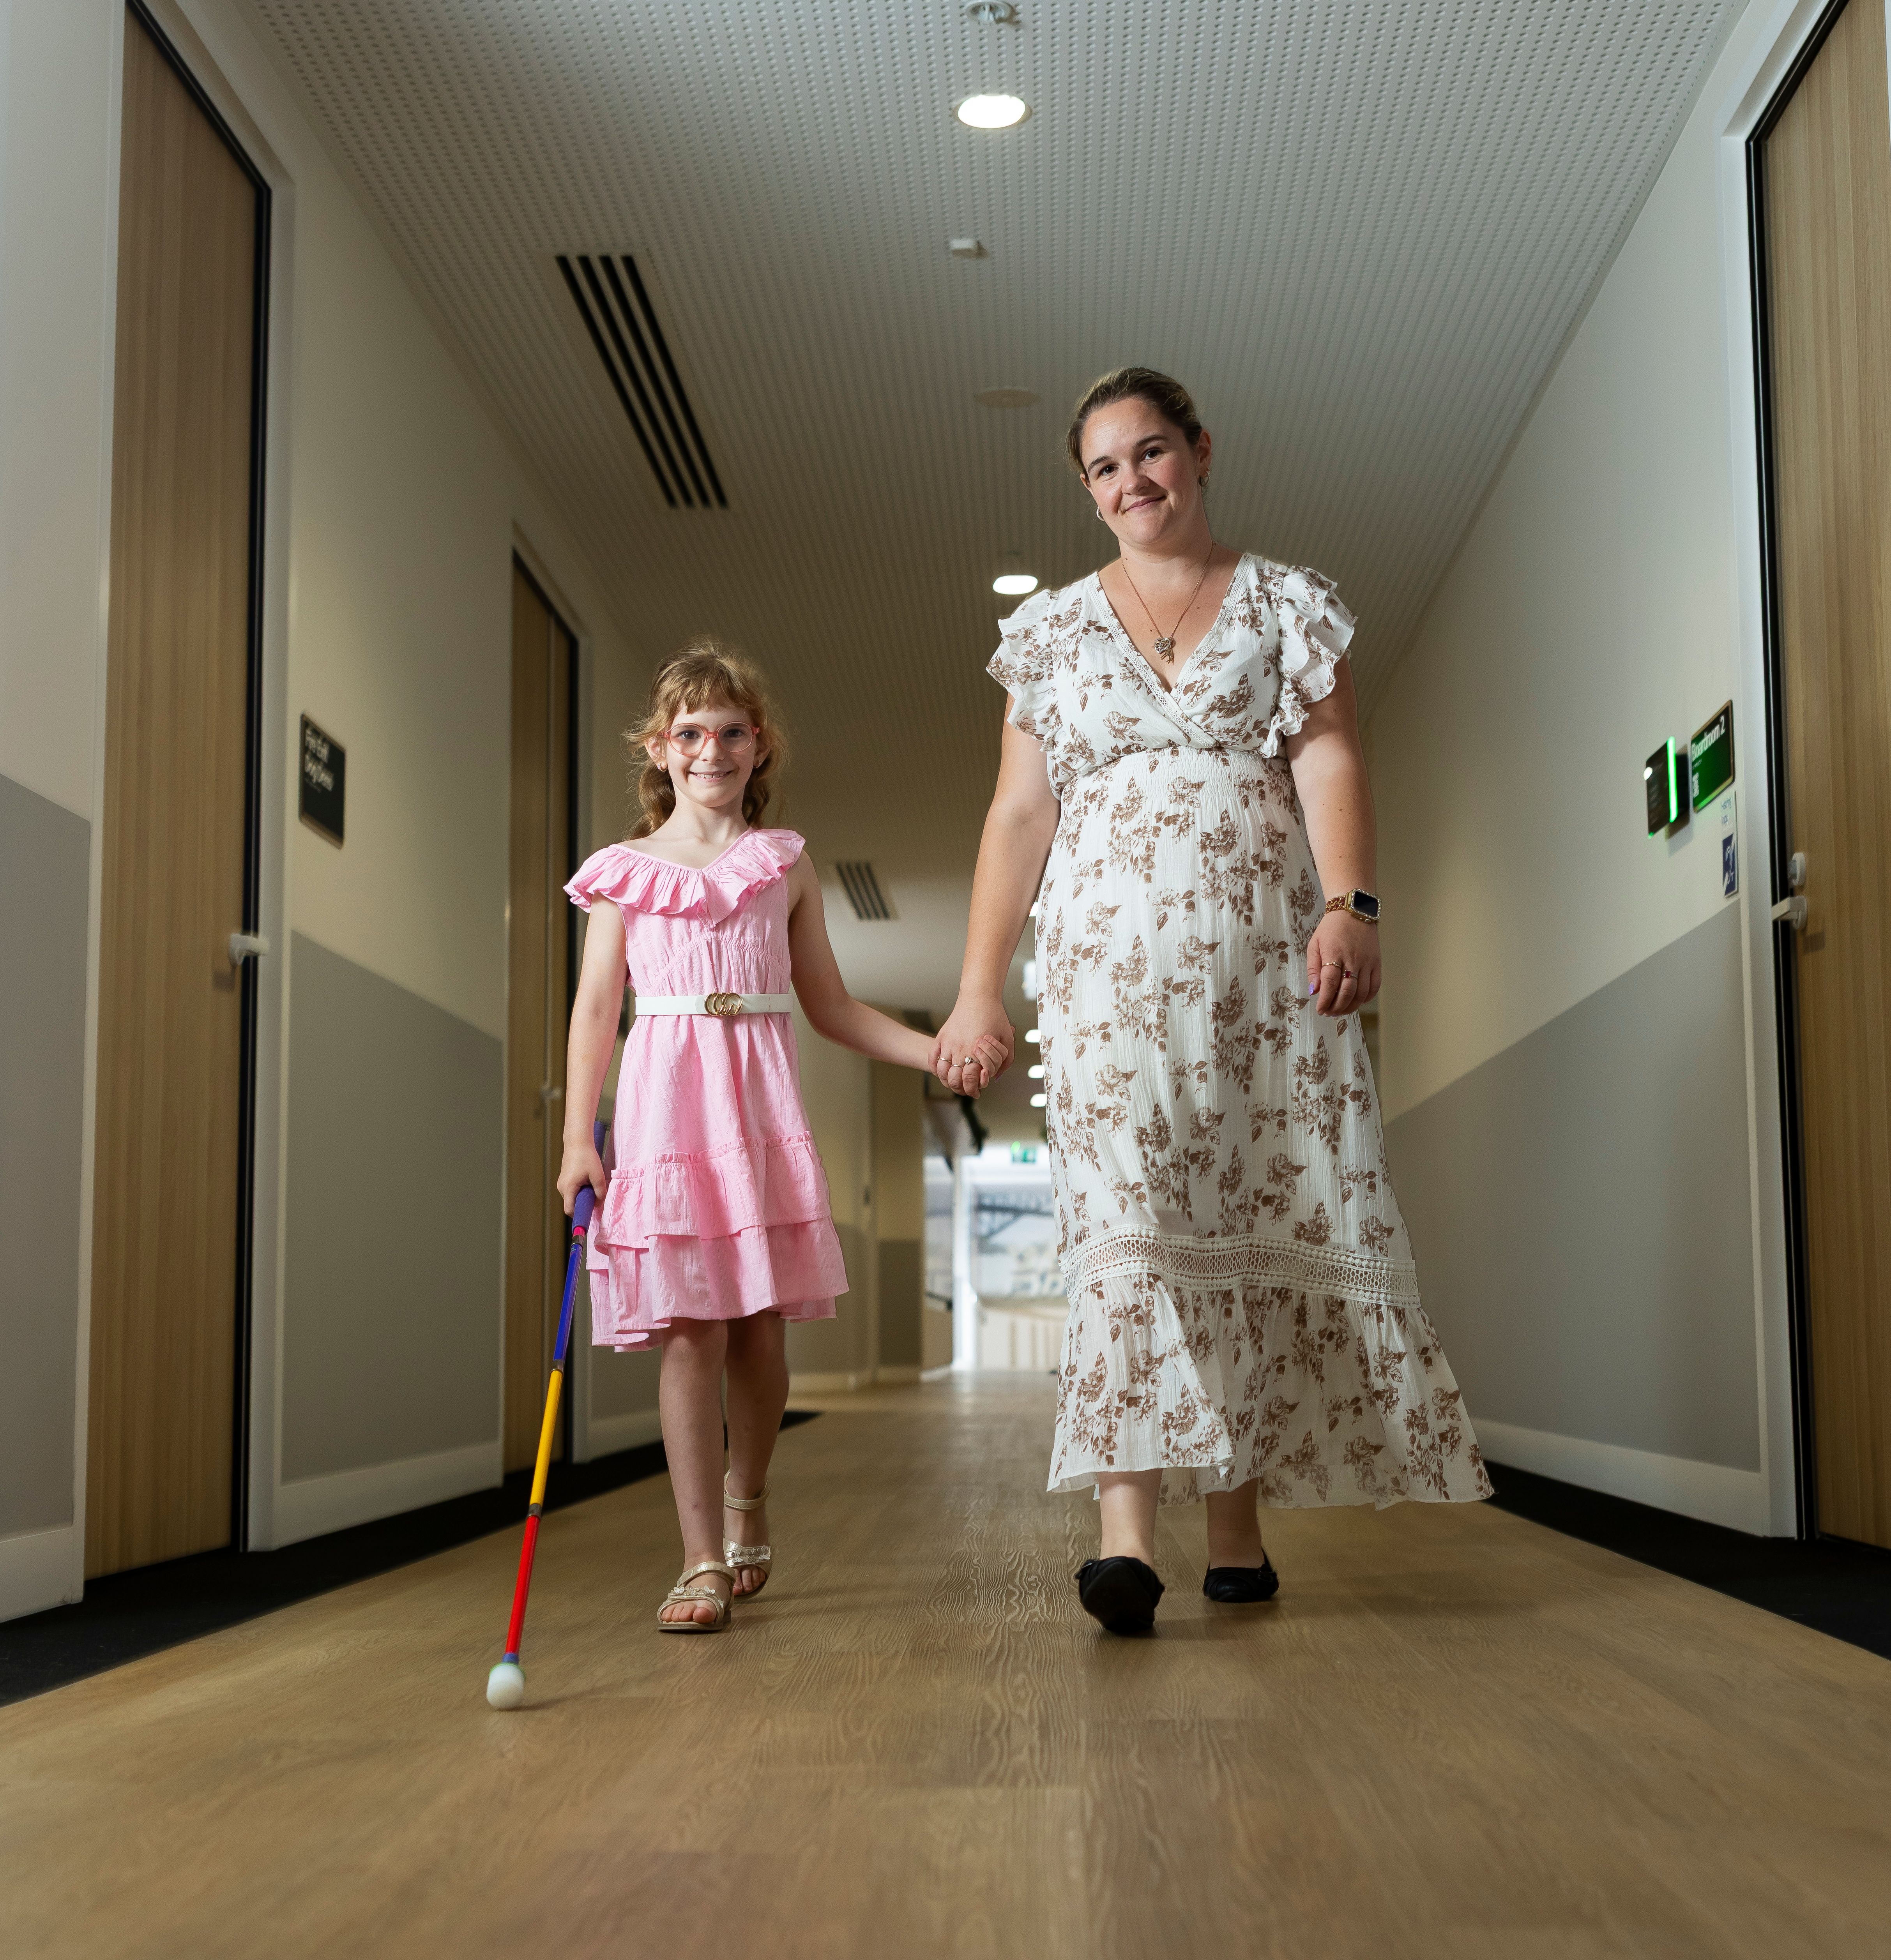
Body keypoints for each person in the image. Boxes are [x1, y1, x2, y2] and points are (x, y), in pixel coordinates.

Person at [933, 368, 1491, 1636]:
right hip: (1104, 975)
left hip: (1261, 975)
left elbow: (1331, 751)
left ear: (1199, 450)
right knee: (1129, 1220)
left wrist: (1351, 902)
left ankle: (1235, 1528)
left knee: (1241, 1206)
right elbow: (1019, 813)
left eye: (1151, 454)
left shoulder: (1293, 604)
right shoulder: (1051, 634)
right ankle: (1124, 1535)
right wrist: (977, 988)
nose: (1132, 483)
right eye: (1104, 469)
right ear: (1086, 490)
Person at [559, 641, 1002, 1632]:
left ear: (757, 746)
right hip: (664, 1097)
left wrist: (935, 1054)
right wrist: (576, 1138)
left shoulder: (784, 866)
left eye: (728, 731)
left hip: (754, 1099)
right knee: (689, 1329)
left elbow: (833, 1006)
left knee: (756, 1329)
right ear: (659, 748)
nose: (709, 749)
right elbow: (597, 1010)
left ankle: (746, 1492)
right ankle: (698, 1558)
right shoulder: (624, 874)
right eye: (689, 733)